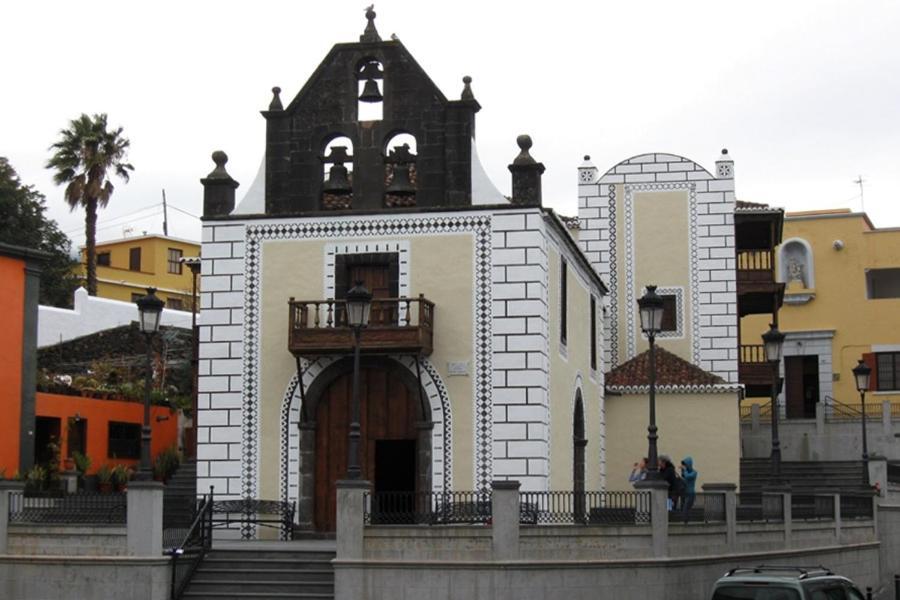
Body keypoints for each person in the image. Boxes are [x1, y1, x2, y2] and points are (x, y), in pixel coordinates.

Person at [680, 456, 698, 523]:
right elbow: (684, 480)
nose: (684, 466)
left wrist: (684, 470)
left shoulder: (694, 472)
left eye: (685, 464)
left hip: (691, 493)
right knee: (684, 508)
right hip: (684, 492)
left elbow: (688, 477)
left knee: (686, 508)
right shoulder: (685, 472)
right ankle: (685, 521)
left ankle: (686, 521)